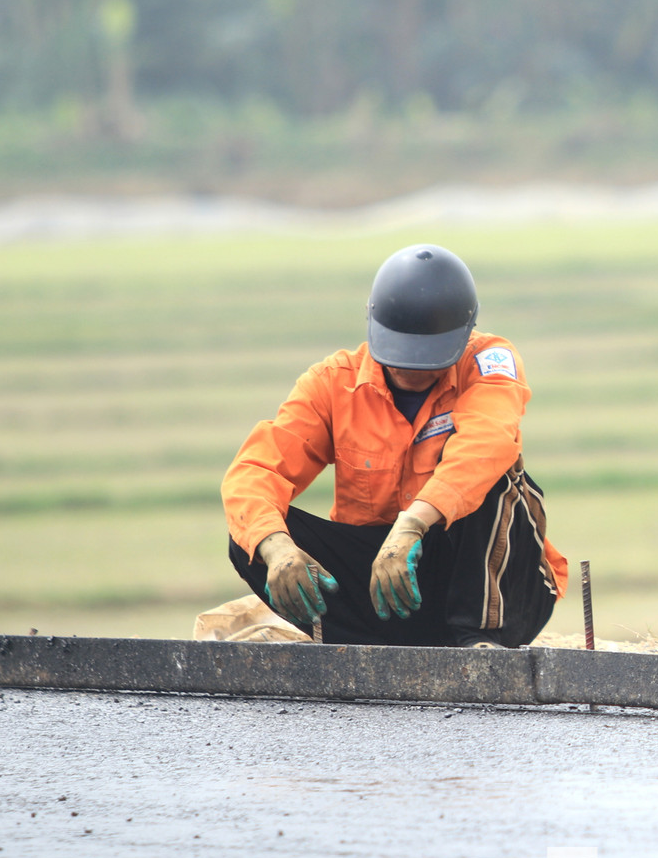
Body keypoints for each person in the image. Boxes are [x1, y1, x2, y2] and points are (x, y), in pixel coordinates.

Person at [223, 243, 567, 648]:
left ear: (464, 333)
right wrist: (276, 547)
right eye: (400, 354)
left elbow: (485, 445)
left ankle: (482, 643)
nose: (411, 369)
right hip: (386, 589)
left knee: (497, 481)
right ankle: (361, 645)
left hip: (482, 583)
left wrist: (413, 523)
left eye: (430, 357)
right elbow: (256, 471)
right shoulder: (332, 382)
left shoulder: (490, 361)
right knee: (251, 534)